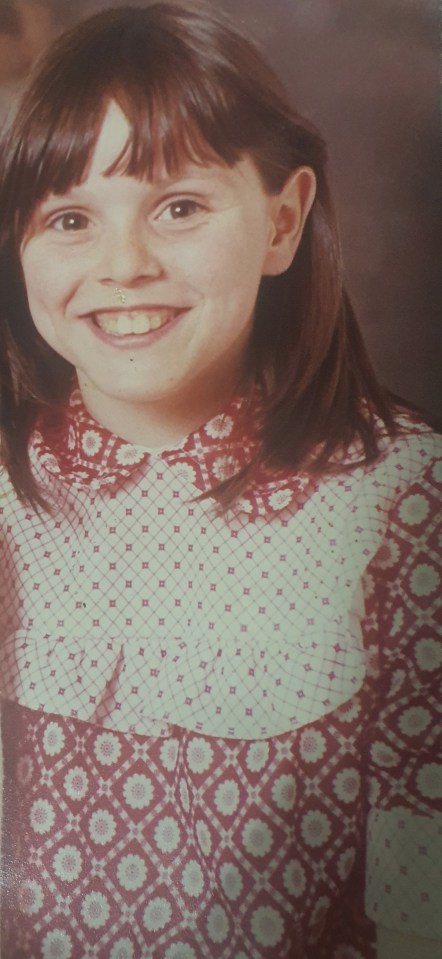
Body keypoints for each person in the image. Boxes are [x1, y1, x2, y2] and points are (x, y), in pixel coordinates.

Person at [0, 4, 440, 958]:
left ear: (283, 221)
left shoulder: (395, 492)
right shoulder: (7, 487)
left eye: (180, 206)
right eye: (70, 218)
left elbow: (424, 848)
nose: (124, 265)